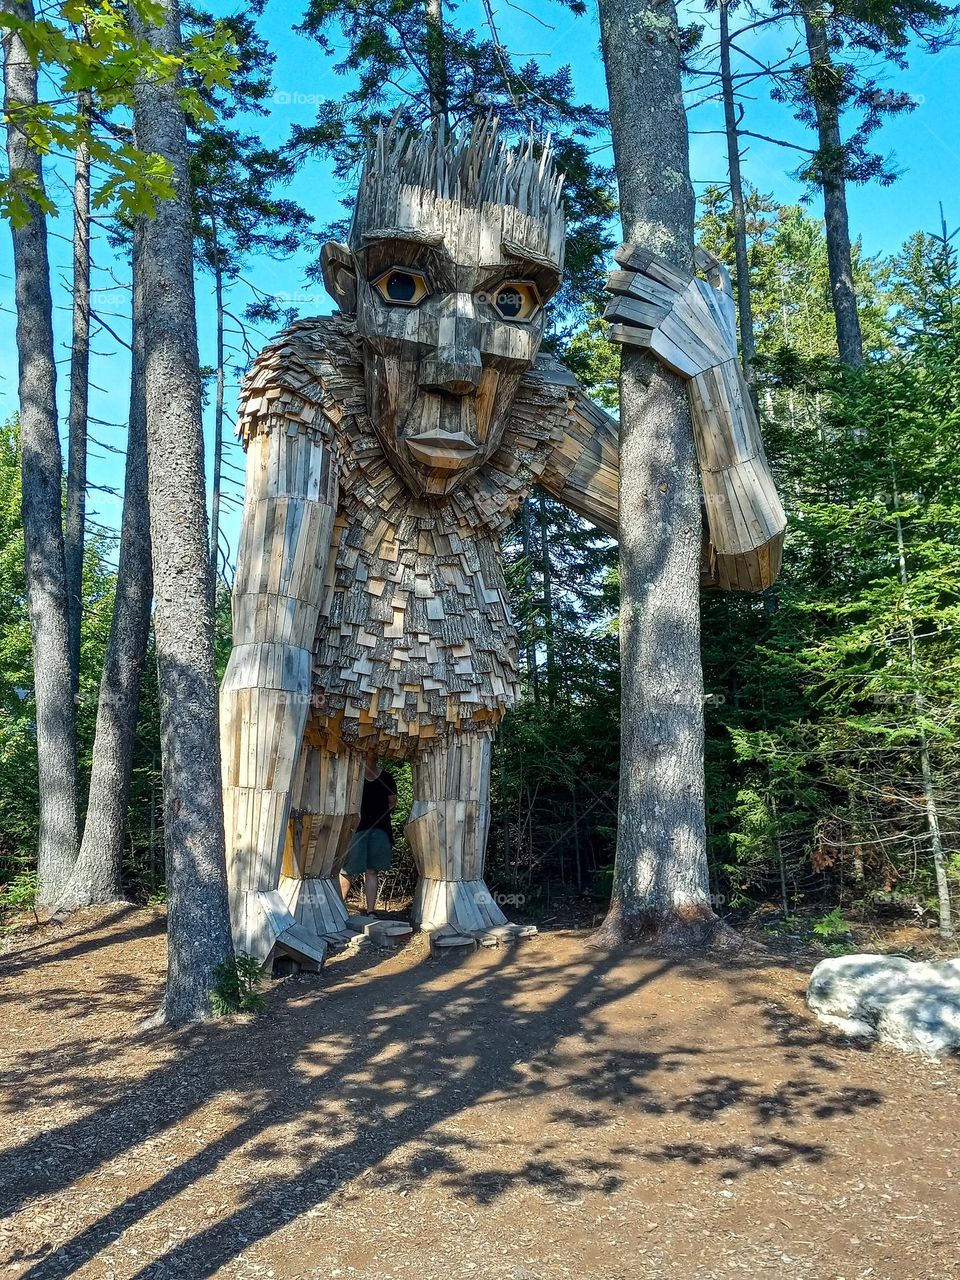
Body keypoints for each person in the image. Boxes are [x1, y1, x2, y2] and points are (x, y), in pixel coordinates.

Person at [339, 753, 398, 915]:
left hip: (380, 830)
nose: (371, 754)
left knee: (372, 870)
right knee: (347, 870)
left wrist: (379, 816)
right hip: (356, 829)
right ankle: (337, 908)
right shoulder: (353, 777)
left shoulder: (386, 777)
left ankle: (371, 911)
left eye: (374, 751)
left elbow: (392, 801)